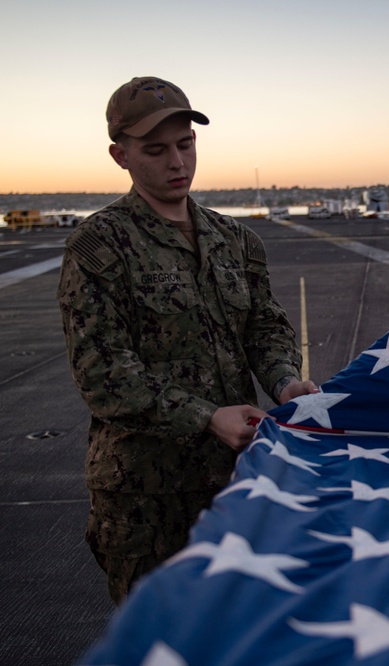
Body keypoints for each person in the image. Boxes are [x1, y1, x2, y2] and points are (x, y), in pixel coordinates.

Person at [57, 76, 318, 604]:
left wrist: (285, 381)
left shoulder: (235, 238)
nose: (177, 162)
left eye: (185, 144)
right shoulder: (99, 244)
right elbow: (104, 376)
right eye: (155, 150)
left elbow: (265, 327)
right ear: (120, 155)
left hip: (236, 482)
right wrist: (205, 418)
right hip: (147, 497)